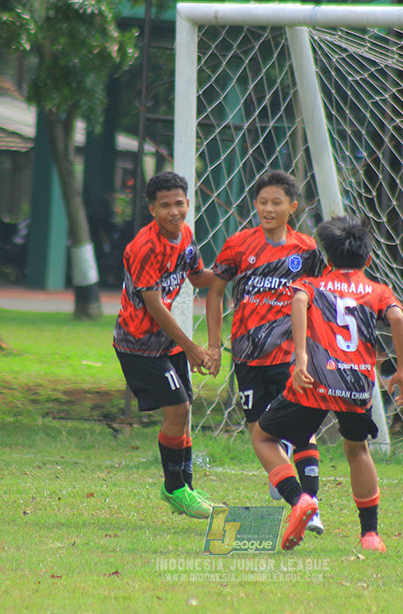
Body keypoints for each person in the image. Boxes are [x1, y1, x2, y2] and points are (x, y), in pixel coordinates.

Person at [250, 215, 403, 551]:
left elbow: (298, 300)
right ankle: (370, 535)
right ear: (367, 259)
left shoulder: (313, 284)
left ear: (326, 259)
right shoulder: (378, 291)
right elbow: (398, 316)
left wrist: (301, 357)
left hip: (315, 381)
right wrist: (402, 370)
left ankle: (299, 500)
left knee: (264, 437)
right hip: (356, 385)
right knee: (357, 449)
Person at [205, 171, 327, 533]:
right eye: (263, 202)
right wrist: (214, 344)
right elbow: (214, 292)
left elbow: (324, 299)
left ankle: (308, 506)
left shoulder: (307, 251)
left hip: (292, 357)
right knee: (261, 433)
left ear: (293, 206)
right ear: (254, 204)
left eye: (277, 203)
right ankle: (294, 490)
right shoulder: (238, 245)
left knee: (303, 429)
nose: (269, 209)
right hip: (247, 358)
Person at [113, 171, 216, 519]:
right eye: (165, 206)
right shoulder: (144, 248)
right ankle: (174, 489)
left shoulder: (185, 234)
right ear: (152, 209)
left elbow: (197, 276)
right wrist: (190, 346)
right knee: (178, 411)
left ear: (188, 203)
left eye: (179, 204)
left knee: (184, 411)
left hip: (166, 341)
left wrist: (236, 269)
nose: (174, 212)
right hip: (139, 343)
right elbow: (154, 305)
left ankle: (184, 486)